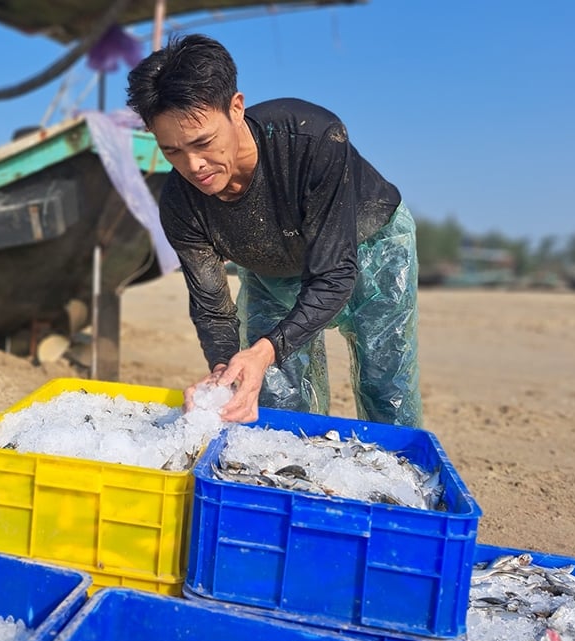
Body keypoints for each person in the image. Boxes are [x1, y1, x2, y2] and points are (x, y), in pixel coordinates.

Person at [125, 34, 423, 428]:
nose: (193, 166)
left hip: (370, 249)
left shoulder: (313, 140)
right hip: (271, 269)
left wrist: (264, 350)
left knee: (386, 388)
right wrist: (222, 374)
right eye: (172, 151)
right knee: (278, 400)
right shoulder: (182, 206)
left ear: (236, 108)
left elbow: (334, 274)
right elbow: (212, 309)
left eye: (203, 142)